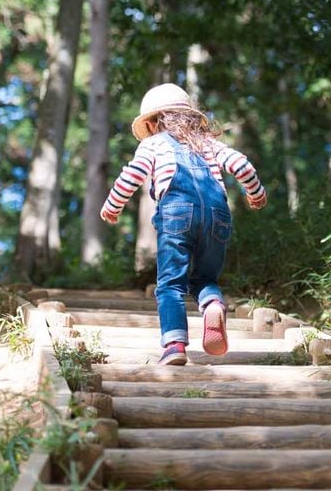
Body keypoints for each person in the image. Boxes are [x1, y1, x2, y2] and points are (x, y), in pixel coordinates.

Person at [100, 83, 267, 365]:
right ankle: (212, 304)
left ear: (152, 123)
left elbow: (132, 176)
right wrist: (256, 194)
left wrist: (111, 207)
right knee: (205, 278)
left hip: (176, 213)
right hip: (217, 215)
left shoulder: (152, 144)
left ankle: (175, 345)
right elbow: (243, 166)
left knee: (170, 283)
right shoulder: (209, 144)